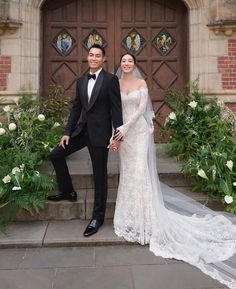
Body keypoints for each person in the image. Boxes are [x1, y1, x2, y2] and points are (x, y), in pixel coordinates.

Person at [110, 53, 236, 289]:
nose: (126, 64)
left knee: (139, 173)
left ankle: (146, 221)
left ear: (134, 64)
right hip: (122, 134)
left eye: (130, 61)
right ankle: (130, 218)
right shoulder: (115, 84)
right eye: (123, 61)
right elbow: (114, 108)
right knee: (128, 174)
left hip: (137, 132)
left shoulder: (141, 83)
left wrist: (127, 126)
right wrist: (116, 131)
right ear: (120, 64)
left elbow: (141, 109)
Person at [48, 44, 123, 237]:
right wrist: (67, 132)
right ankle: (67, 191)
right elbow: (76, 109)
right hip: (82, 132)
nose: (94, 58)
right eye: (91, 55)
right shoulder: (81, 80)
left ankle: (97, 217)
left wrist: (117, 137)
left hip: (100, 135)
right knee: (56, 154)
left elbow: (116, 110)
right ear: (87, 57)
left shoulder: (111, 80)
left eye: (98, 56)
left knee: (99, 176)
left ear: (104, 59)